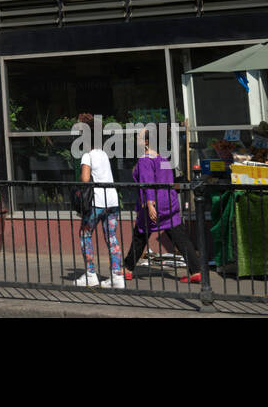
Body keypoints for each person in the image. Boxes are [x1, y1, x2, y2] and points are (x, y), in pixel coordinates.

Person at [121, 128, 202, 284]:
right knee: (180, 236)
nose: (136, 140)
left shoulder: (145, 160)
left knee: (140, 235)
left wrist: (150, 205)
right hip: (169, 203)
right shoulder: (163, 159)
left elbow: (148, 183)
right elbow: (168, 180)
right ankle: (196, 271)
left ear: (146, 142)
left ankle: (128, 268)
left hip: (154, 204)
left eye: (138, 137)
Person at [75, 113, 123, 289]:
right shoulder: (103, 154)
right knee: (111, 237)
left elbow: (86, 179)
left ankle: (90, 274)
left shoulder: (87, 156)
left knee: (85, 234)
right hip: (112, 201)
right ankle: (117, 276)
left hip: (97, 203)